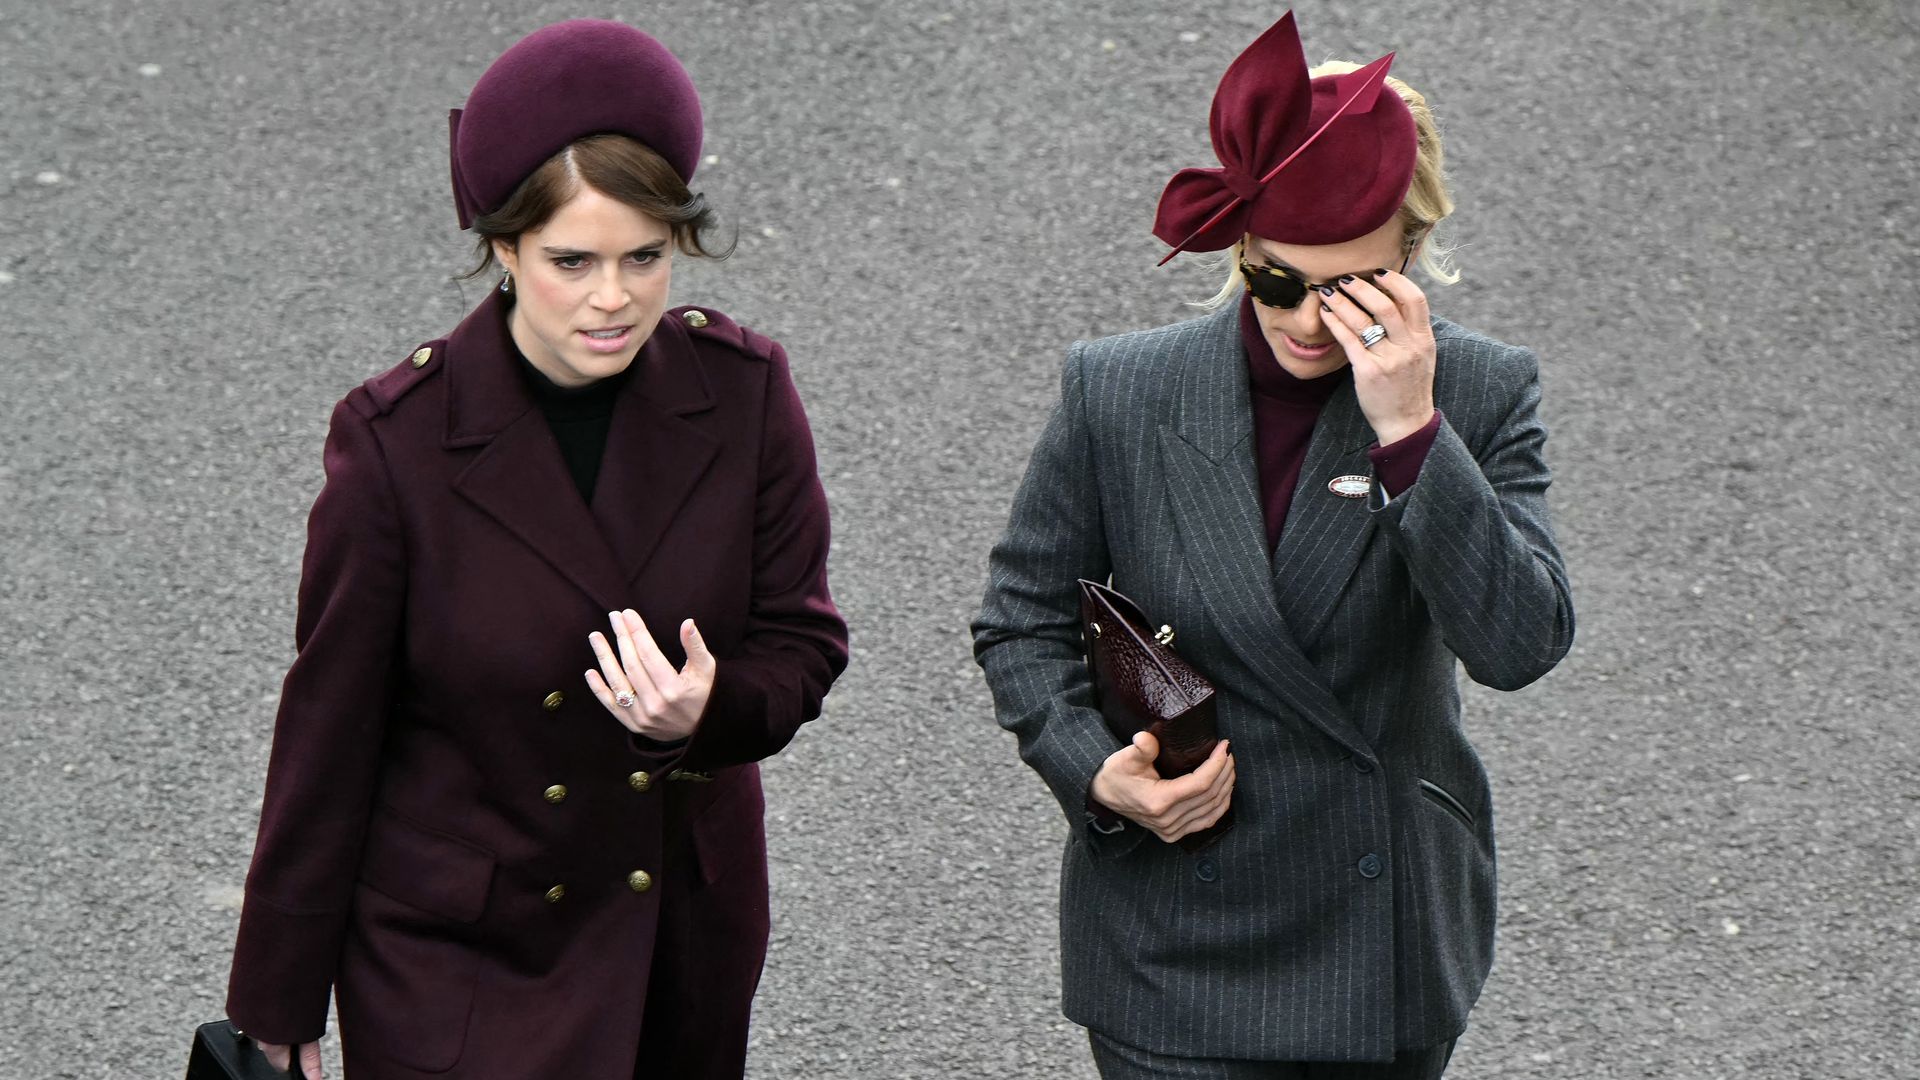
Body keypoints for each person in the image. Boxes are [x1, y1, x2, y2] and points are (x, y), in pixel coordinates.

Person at [223, 20, 848, 1079]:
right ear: (504, 249)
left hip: (672, 943)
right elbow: (329, 732)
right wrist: (278, 1001)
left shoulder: (743, 395)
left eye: (644, 257)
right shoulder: (395, 447)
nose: (614, 298)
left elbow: (802, 640)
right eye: (573, 261)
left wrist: (710, 712)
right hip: (461, 964)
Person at [973, 11, 1574, 1079]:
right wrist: (1097, 776)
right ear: (1243, 250)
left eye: (1351, 289)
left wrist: (1412, 433)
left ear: (1412, 259)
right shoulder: (1121, 389)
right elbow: (1022, 621)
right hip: (1174, 935)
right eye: (1278, 281)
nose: (1307, 323)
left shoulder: (1480, 392)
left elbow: (1520, 647)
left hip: (1379, 941)